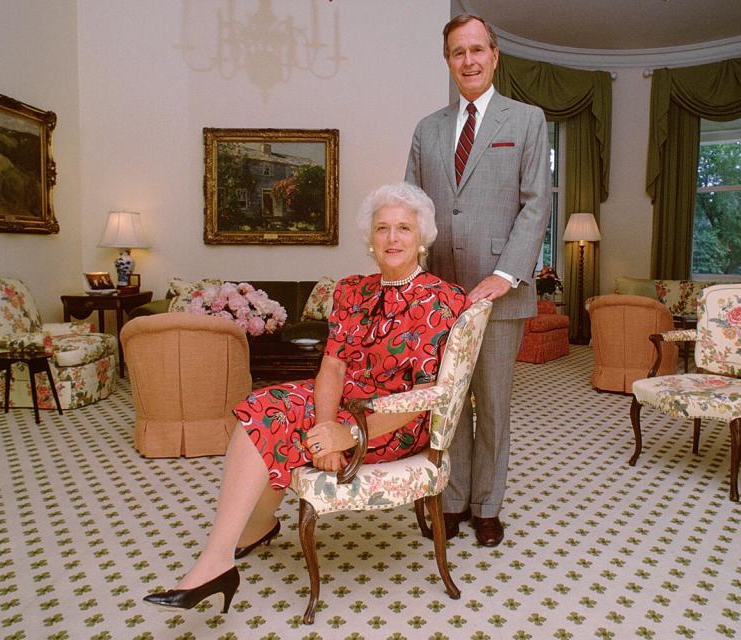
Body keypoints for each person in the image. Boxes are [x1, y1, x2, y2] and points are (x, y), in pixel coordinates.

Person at [143, 182, 470, 613]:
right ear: (369, 239)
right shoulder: (352, 290)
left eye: (404, 228)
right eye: (382, 228)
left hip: (395, 422)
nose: (392, 238)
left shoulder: (443, 299)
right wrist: (323, 425)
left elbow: (425, 397)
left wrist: (348, 435)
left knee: (277, 425)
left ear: (422, 236)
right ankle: (221, 558)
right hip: (345, 404)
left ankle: (248, 535)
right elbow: (333, 366)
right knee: (261, 409)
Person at [405, 14, 550, 547]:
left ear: (494, 54)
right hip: (439, 293)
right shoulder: (427, 128)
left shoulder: (527, 120)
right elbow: (415, 208)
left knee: (491, 403)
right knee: (448, 400)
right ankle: (453, 499)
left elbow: (536, 206)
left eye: (476, 50)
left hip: (501, 295)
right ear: (448, 61)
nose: (468, 60)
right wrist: (414, 278)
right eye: (457, 53)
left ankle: (489, 506)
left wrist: (504, 274)